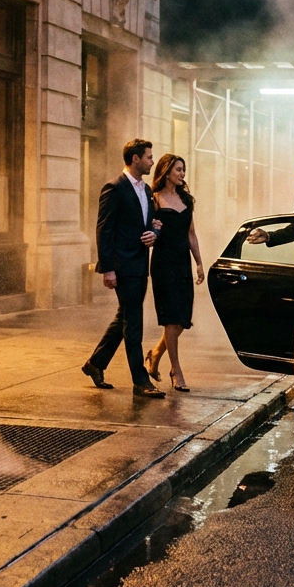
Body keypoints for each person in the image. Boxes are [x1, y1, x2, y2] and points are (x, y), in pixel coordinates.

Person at [82, 139, 165, 399]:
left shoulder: (147, 189)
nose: (152, 161)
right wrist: (107, 269)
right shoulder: (115, 188)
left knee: (125, 318)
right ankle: (140, 381)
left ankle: (95, 364)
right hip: (123, 265)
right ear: (135, 159)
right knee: (134, 323)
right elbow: (103, 230)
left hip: (141, 264)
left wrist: (154, 232)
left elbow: (151, 222)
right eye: (149, 157)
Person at [145, 154, 204, 393]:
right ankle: (176, 370)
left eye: (184, 170)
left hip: (182, 263)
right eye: (178, 169)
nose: (182, 174)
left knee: (181, 321)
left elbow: (191, 234)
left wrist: (199, 262)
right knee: (171, 318)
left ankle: (155, 353)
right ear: (166, 171)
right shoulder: (154, 199)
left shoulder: (187, 199)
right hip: (163, 263)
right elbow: (146, 228)